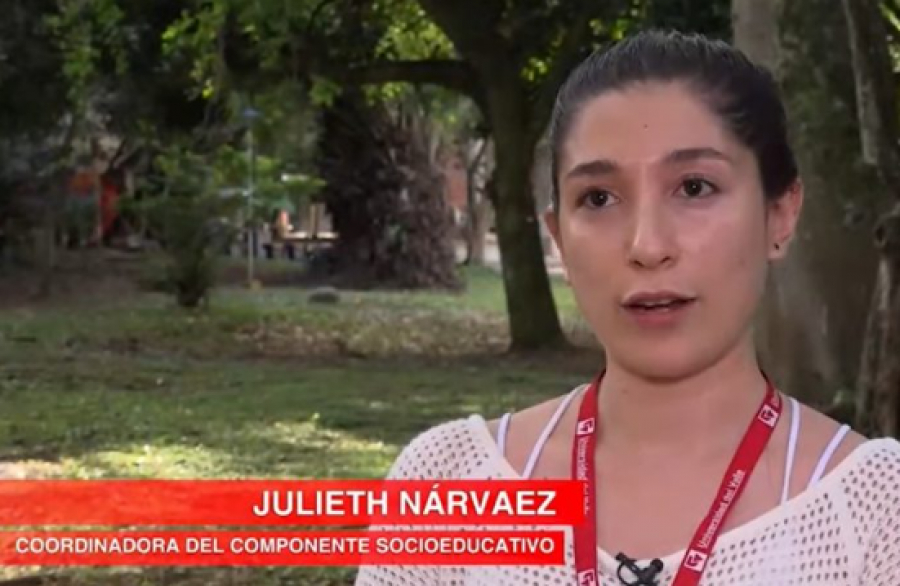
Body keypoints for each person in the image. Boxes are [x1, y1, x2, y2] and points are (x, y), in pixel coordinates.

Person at [353, 30, 900, 586]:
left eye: (694, 187)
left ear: (780, 214)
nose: (647, 246)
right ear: (558, 236)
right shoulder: (448, 482)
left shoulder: (878, 511)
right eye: (598, 198)